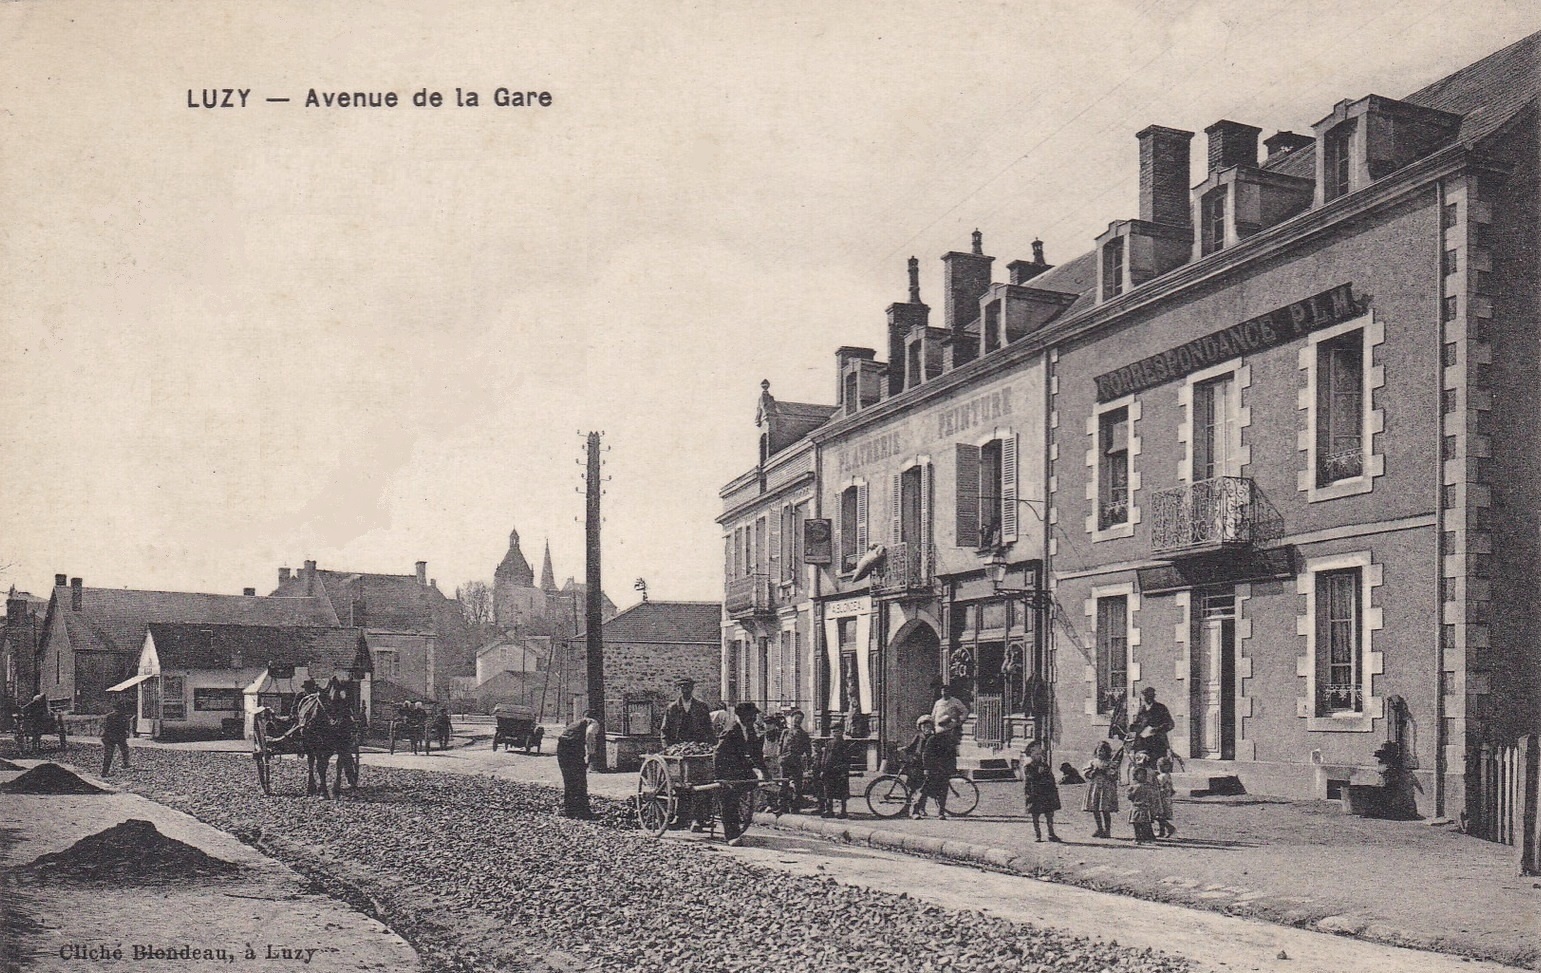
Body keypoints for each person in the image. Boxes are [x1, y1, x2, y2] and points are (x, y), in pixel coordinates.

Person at [714, 701, 767, 846]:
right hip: (727, 771)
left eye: (754, 717)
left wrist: (764, 771)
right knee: (728, 801)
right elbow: (718, 754)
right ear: (742, 716)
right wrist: (722, 778)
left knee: (750, 783)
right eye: (751, 716)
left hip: (741, 770)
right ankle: (731, 836)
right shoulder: (731, 730)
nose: (754, 720)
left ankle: (734, 825)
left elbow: (756, 753)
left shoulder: (750, 730)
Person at [915, 716, 960, 819]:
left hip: (944, 769)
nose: (950, 730)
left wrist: (953, 768)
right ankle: (916, 811)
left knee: (943, 791)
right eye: (948, 728)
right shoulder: (933, 739)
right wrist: (927, 768)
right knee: (924, 790)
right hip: (933, 769)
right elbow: (926, 755)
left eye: (951, 728)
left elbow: (952, 756)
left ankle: (941, 813)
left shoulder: (951, 740)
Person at [556, 712, 598, 819]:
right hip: (573, 749)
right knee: (580, 781)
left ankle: (570, 811)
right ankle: (583, 812)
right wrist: (590, 753)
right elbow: (589, 734)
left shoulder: (576, 723)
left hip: (562, 749)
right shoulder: (593, 722)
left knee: (569, 780)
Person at [1022, 746, 1062, 842]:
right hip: (1034, 793)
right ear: (1031, 755)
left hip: (1046, 793)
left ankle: (1051, 833)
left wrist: (1052, 788)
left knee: (1049, 814)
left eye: (1040, 754)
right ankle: (1038, 834)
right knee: (1035, 815)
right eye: (1036, 754)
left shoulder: (1045, 766)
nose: (1038, 756)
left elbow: (1051, 777)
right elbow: (1030, 779)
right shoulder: (1028, 767)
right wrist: (1038, 774)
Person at [661, 677, 714, 746]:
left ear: (692, 688)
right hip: (677, 746)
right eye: (683, 688)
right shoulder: (672, 708)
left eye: (688, 687)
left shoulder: (701, 707)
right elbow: (665, 729)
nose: (686, 690)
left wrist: (710, 745)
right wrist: (666, 746)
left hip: (698, 745)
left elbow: (708, 728)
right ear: (679, 689)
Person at [1082, 741, 1119, 838]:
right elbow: (1086, 773)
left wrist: (1106, 772)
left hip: (1106, 788)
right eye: (1099, 750)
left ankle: (1107, 830)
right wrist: (1093, 772)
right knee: (1095, 808)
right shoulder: (1093, 762)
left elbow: (1114, 775)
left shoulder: (1111, 763)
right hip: (1095, 787)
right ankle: (1099, 828)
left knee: (1105, 809)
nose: (1100, 753)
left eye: (1103, 751)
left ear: (1107, 752)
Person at [1128, 687, 1175, 764]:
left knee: (1157, 766)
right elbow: (1138, 724)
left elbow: (1170, 724)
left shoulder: (1160, 708)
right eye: (1144, 696)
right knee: (1141, 768)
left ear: (1152, 696)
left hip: (1157, 743)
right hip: (1142, 744)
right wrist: (1133, 727)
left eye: (1148, 695)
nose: (1145, 698)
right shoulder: (1141, 709)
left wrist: (1157, 729)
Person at [778, 709, 812, 813]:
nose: (797, 721)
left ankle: (795, 807)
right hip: (785, 760)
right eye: (795, 718)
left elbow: (808, 750)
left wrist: (808, 763)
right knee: (784, 783)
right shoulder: (785, 732)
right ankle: (783, 805)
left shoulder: (804, 734)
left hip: (797, 761)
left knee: (798, 785)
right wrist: (779, 756)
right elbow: (780, 745)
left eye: (799, 719)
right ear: (791, 719)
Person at [816, 724, 853, 818]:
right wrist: (822, 769)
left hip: (840, 771)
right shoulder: (829, 743)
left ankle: (843, 811)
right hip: (829, 771)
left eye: (837, 731)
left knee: (842, 792)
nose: (835, 734)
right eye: (833, 731)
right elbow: (825, 758)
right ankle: (829, 810)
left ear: (841, 732)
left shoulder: (844, 744)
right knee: (828, 791)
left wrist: (844, 770)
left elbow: (847, 759)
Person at [900, 715, 934, 816]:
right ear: (920, 727)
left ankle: (921, 808)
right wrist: (904, 749)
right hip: (916, 764)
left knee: (924, 789)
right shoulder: (918, 736)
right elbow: (911, 747)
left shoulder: (933, 738)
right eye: (923, 727)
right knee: (912, 788)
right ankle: (906, 809)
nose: (926, 729)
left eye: (928, 726)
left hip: (927, 765)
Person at [1128, 766, 1159, 843]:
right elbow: (1130, 796)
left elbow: (1152, 797)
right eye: (1140, 774)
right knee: (1136, 823)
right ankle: (1138, 837)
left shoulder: (1147, 787)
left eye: (1144, 774)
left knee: (1144, 823)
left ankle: (1146, 837)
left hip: (1144, 807)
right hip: (1136, 807)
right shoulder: (1134, 786)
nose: (1142, 776)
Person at [100, 702, 131, 775]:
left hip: (109, 737)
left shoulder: (109, 716)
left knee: (108, 755)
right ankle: (126, 763)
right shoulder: (124, 717)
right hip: (119, 736)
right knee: (124, 750)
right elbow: (126, 728)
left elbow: (104, 726)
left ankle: (104, 771)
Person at [1154, 755, 1177, 838]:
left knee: (1158, 815)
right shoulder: (1168, 775)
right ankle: (1162, 831)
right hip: (1166, 797)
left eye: (1161, 766)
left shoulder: (1162, 776)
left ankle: (1169, 828)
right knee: (1161, 815)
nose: (1159, 768)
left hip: (1161, 798)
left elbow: (1157, 783)